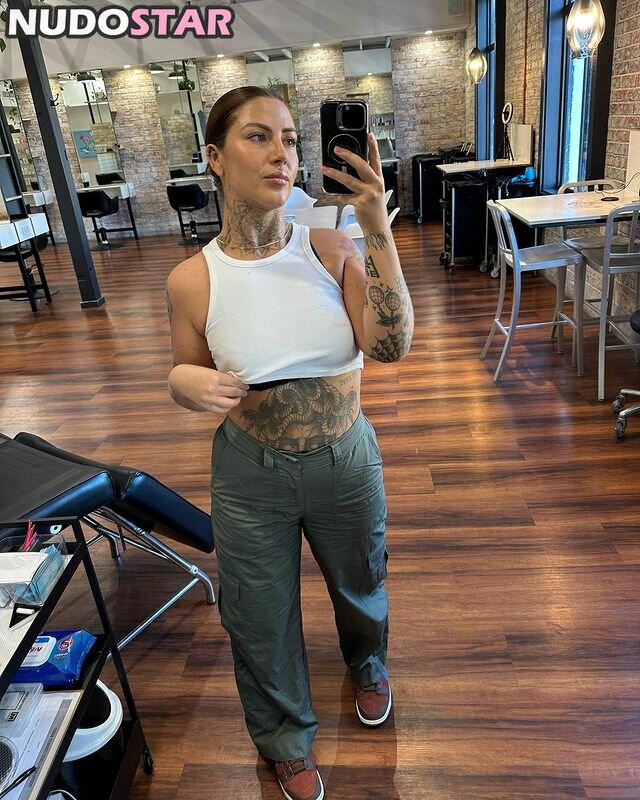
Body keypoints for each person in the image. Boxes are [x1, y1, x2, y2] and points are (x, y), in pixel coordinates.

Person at [166, 86, 414, 800]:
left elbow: (390, 347)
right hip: (251, 473)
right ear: (215, 157)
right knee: (257, 612)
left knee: (361, 581)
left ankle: (368, 663)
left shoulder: (331, 249)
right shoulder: (191, 280)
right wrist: (186, 383)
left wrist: (376, 227)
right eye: (258, 136)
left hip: (345, 457)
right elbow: (183, 370)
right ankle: (284, 738)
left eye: (291, 139)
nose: (282, 154)